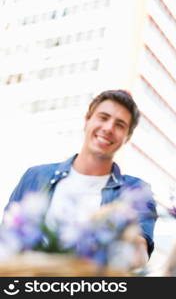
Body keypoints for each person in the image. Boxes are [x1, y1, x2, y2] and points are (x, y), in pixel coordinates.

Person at [5, 89, 157, 265]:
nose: (108, 128)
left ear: (127, 137)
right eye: (103, 117)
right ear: (87, 120)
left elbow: (139, 259)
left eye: (120, 125)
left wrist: (125, 228)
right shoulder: (35, 177)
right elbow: (7, 240)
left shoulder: (135, 191)